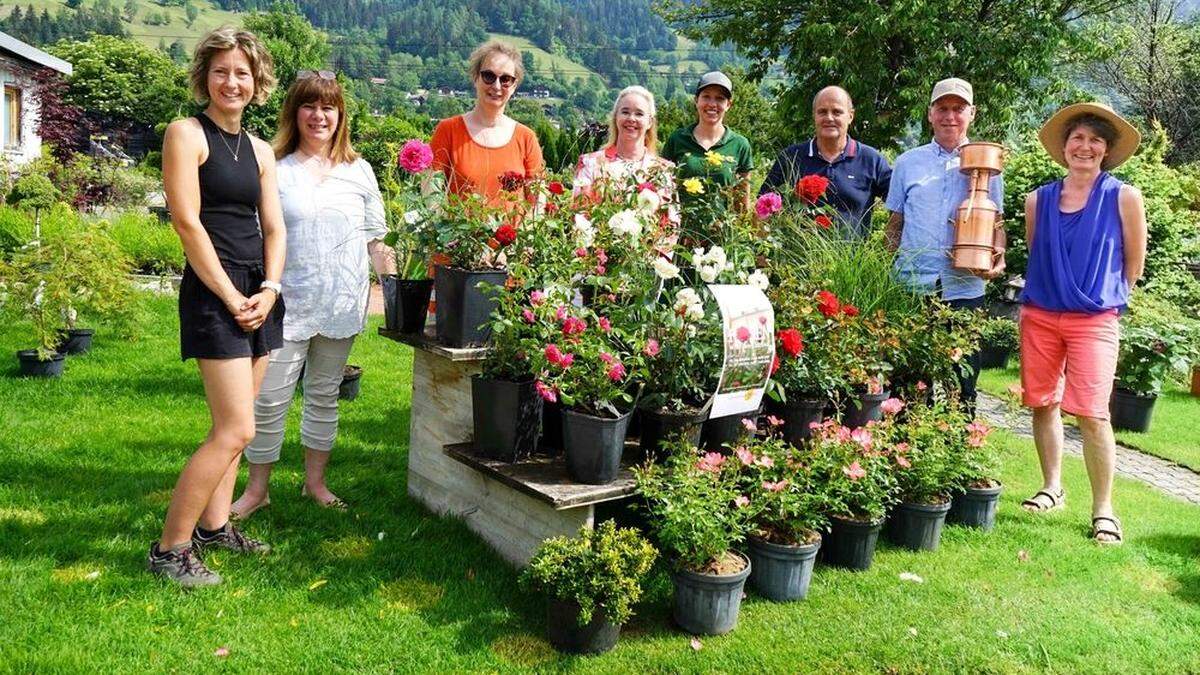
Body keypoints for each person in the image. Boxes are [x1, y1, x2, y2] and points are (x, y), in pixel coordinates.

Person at [229, 71, 396, 520]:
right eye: (309, 105)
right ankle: (256, 490)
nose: (319, 115)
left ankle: (315, 484)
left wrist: (396, 287)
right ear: (294, 112)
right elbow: (258, 236)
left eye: (328, 107)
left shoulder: (359, 170)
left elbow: (376, 240)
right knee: (268, 400)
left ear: (340, 114)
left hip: (341, 303)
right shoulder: (274, 167)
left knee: (324, 395)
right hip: (286, 303)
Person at [151, 27, 283, 587]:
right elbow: (187, 222)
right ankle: (170, 549)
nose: (233, 82)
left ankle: (214, 526)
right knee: (234, 430)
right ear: (205, 75)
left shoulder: (258, 149)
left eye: (243, 73)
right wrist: (230, 296)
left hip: (258, 290)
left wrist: (270, 288)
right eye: (222, 70)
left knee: (241, 425)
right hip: (216, 291)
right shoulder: (186, 134)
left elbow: (274, 225)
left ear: (258, 83)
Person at [1017, 102, 1146, 546]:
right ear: (1064, 147)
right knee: (1042, 403)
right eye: (1077, 139)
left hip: (1095, 319)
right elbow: (1038, 252)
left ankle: (1103, 509)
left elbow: (1133, 262)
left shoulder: (1124, 196)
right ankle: (1052, 487)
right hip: (1040, 315)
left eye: (1095, 140)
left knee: (1093, 413)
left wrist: (1102, 297)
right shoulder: (1038, 200)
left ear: (1106, 150)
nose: (1085, 147)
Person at [885, 77, 1005, 413]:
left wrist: (1000, 254)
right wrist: (881, 272)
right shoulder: (908, 162)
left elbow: (997, 221)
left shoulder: (987, 164)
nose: (950, 116)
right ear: (930, 114)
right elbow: (895, 224)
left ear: (972, 114)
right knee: (908, 377)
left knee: (963, 376)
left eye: (958, 109)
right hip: (911, 285)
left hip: (965, 286)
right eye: (942, 108)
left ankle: (960, 450)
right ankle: (903, 447)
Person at [759, 86, 892, 238]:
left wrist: (888, 247)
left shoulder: (871, 160)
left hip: (852, 260)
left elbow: (899, 204)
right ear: (814, 116)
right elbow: (762, 206)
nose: (829, 118)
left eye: (837, 112)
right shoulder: (791, 157)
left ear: (850, 116)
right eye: (822, 112)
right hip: (796, 259)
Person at [429, 40, 544, 204]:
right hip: (459, 230)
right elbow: (430, 197)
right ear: (476, 78)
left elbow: (538, 204)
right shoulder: (448, 131)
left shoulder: (526, 138)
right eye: (489, 76)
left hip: (514, 230)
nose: (497, 86)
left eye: (506, 79)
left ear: (514, 86)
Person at [661, 71, 754, 213]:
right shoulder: (677, 139)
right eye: (706, 97)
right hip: (679, 231)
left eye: (720, 98)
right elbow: (663, 190)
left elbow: (742, 205)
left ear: (728, 104)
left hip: (722, 233)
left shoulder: (740, 145)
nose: (712, 104)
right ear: (696, 100)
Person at [573, 85, 676, 211]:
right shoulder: (590, 163)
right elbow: (579, 213)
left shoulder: (663, 170)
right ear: (616, 117)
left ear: (649, 122)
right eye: (625, 112)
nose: (631, 119)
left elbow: (670, 222)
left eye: (639, 114)